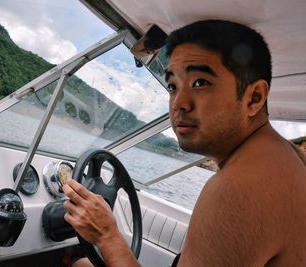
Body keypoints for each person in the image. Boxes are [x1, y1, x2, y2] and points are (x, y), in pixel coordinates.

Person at [62, 19, 306, 267]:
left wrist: (107, 236)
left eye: (200, 82)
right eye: (172, 86)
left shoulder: (240, 188)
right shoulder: (288, 156)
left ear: (253, 98)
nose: (179, 103)